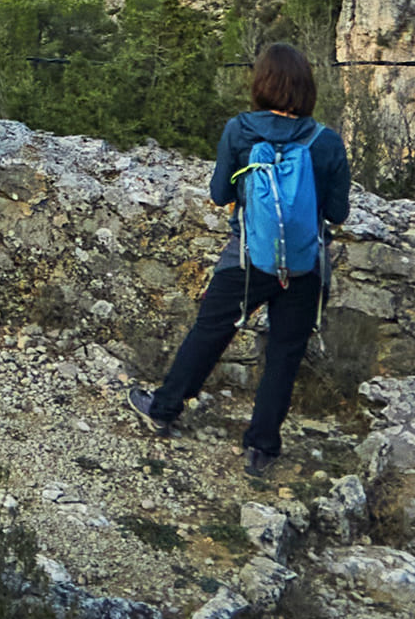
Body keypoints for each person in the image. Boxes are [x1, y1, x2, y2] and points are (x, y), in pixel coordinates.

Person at [130, 42, 354, 479]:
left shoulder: (240, 129)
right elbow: (338, 213)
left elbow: (219, 195)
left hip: (246, 259)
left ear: (261, 83)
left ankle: (164, 410)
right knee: (285, 356)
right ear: (307, 88)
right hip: (305, 267)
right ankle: (261, 449)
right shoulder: (326, 142)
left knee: (210, 332)